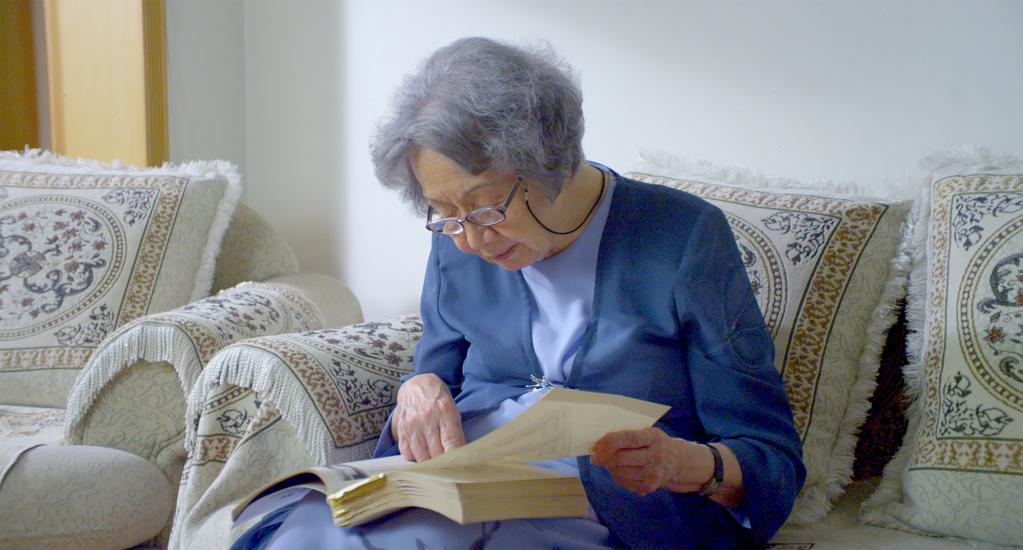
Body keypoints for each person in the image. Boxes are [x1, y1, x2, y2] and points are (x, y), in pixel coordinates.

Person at [234, 36, 805, 549]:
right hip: (465, 483)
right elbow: (437, 369)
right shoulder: (457, 237)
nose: (470, 239)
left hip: (612, 505)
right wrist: (419, 387)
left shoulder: (683, 237)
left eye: (486, 206)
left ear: (550, 161)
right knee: (310, 525)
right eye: (444, 212)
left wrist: (684, 464)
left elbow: (770, 457)